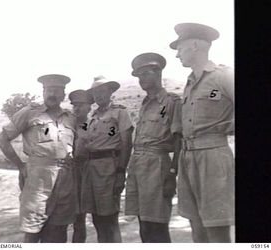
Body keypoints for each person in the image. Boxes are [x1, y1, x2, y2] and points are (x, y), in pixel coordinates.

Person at [170, 22, 234, 242]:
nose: (177, 54)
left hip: (213, 156)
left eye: (180, 48)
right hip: (188, 158)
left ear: (195, 45)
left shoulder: (223, 76)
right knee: (195, 224)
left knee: (216, 226)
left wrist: (228, 126)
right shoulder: (189, 82)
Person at [0, 74, 77, 243]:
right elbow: (2, 139)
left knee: (59, 228)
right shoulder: (29, 113)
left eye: (56, 90)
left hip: (65, 177)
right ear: (43, 92)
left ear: (63, 94)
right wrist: (20, 166)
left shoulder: (70, 117)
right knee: (33, 228)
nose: (52, 94)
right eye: (48, 90)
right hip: (38, 178)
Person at [125, 53, 182, 243]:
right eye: (139, 75)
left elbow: (178, 140)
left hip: (158, 166)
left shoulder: (171, 102)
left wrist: (172, 173)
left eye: (146, 73)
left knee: (157, 225)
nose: (141, 79)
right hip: (138, 166)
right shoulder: (144, 104)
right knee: (144, 225)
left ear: (158, 73)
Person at [81, 76, 133, 242]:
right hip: (91, 168)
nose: (98, 96)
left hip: (108, 167)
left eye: (102, 91)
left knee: (109, 219)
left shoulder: (119, 112)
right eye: (95, 93)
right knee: (96, 218)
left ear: (110, 92)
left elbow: (126, 143)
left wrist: (120, 171)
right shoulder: (92, 117)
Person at [68, 89, 94, 243]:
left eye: (80, 105)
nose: (76, 108)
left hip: (83, 175)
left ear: (89, 107)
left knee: (79, 219)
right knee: (59, 219)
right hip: (65, 174)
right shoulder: (65, 124)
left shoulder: (94, 125)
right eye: (74, 105)